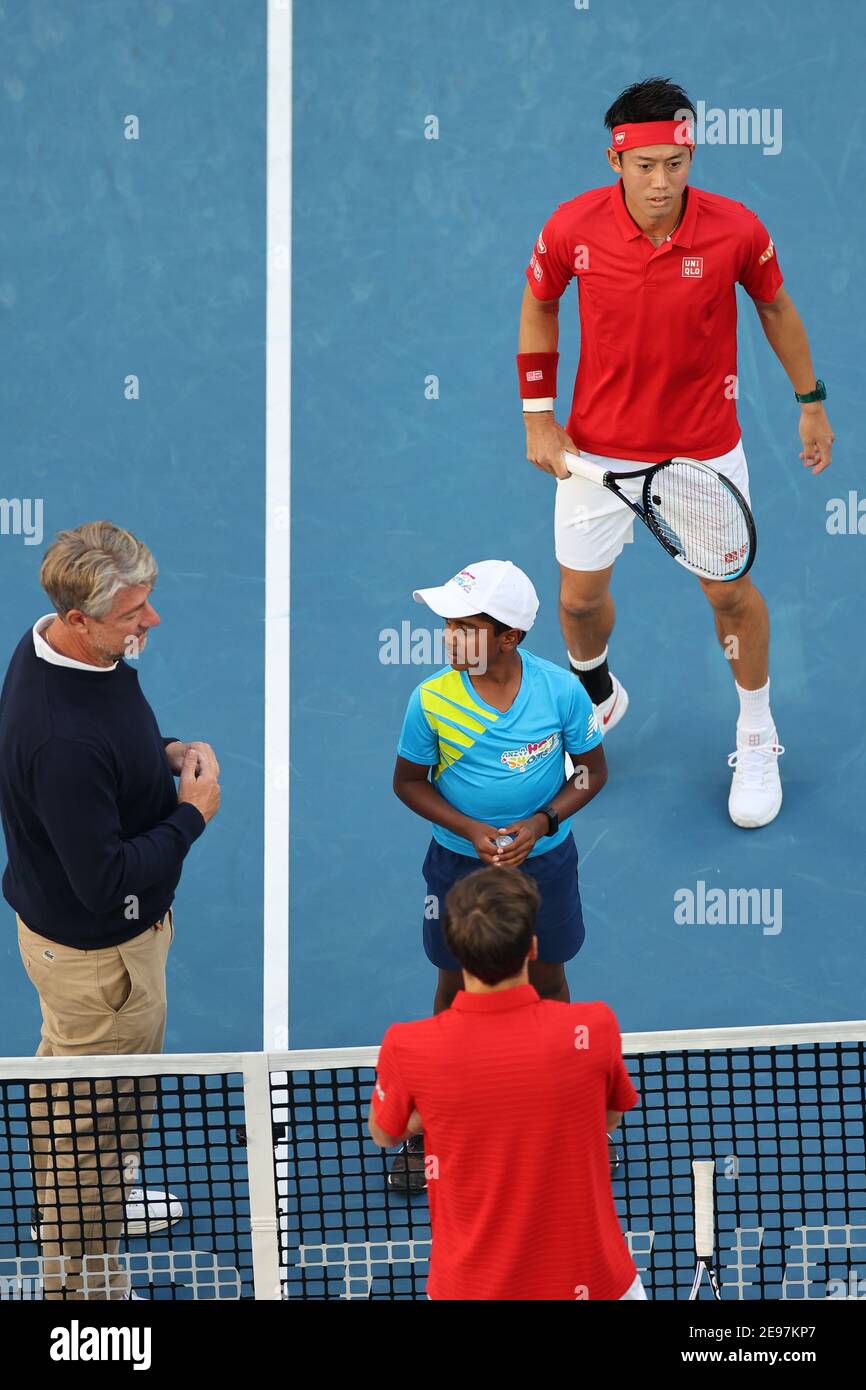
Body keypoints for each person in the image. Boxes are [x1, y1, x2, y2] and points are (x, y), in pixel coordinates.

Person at [518, 76, 835, 829]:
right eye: (646, 164)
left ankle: (756, 731)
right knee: (577, 601)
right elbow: (540, 301)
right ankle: (598, 697)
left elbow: (775, 306)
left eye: (676, 162)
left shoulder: (734, 230)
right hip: (596, 454)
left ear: (690, 154)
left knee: (728, 595)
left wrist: (810, 401)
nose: (663, 181)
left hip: (701, 458)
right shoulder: (573, 229)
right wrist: (538, 416)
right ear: (616, 160)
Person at [0, 521, 221, 1299]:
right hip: (103, 959)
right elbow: (107, 881)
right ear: (83, 617)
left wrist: (153, 754)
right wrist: (192, 812)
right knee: (91, 1127)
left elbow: (108, 739)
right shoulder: (61, 740)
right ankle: (82, 1292)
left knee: (80, 1088)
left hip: (76, 952)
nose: (150, 621)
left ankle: (94, 1196)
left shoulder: (55, 648)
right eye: (135, 612)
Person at [391, 558, 606, 1188]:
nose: (448, 637)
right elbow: (407, 783)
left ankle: (567, 1107)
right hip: (459, 865)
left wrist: (541, 823)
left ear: (509, 638)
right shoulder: (429, 699)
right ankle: (433, 1122)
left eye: (464, 627)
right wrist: (471, 831)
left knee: (549, 979)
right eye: (448, 625)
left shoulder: (561, 691)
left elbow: (592, 771)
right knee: (454, 983)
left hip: (545, 863)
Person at [368, 866, 642, 1300]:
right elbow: (608, 1120)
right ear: (532, 949)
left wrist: (444, 1108)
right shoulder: (593, 1027)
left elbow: (386, 1131)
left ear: (456, 954)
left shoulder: (408, 1046)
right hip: (599, 1283)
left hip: (469, 1289)